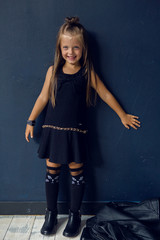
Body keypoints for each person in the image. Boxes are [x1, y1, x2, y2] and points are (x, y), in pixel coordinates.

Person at [25, 16, 141, 238]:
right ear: (60, 48)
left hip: (76, 133)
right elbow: (42, 97)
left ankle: (74, 215)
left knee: (77, 172)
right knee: (52, 171)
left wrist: (122, 114)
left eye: (75, 47)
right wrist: (31, 121)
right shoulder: (53, 71)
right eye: (66, 47)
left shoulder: (87, 73)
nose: (71, 52)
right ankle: (50, 214)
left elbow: (105, 93)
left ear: (83, 48)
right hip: (53, 130)